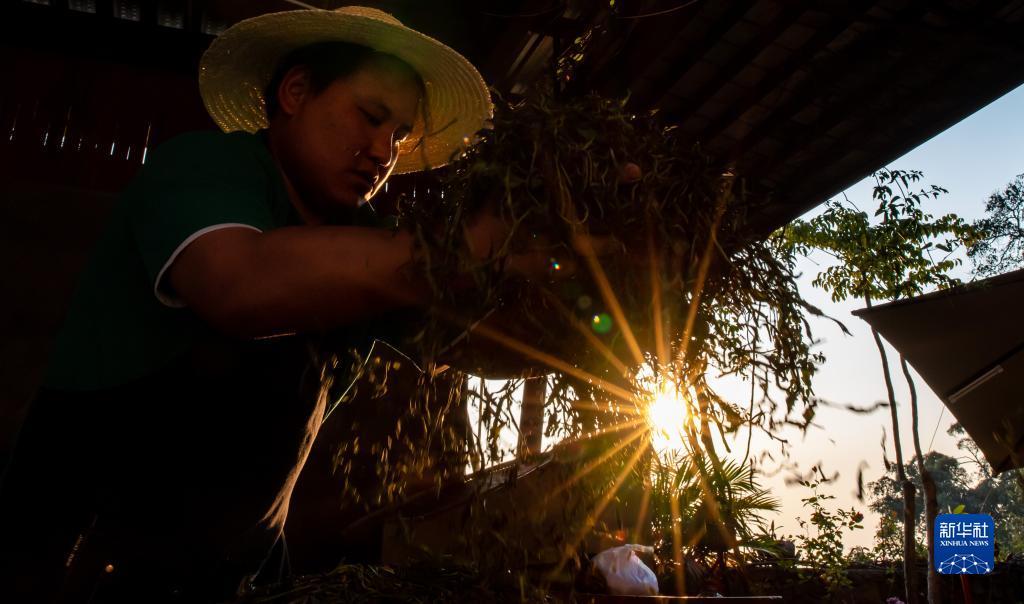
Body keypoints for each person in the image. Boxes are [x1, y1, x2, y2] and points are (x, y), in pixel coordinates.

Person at [0, 6, 510, 602]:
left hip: (241, 577)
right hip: (76, 564)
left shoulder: (378, 243)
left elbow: (485, 341)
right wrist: (462, 249)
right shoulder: (202, 168)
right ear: (295, 91)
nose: (382, 151)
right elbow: (239, 287)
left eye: (398, 134)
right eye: (370, 117)